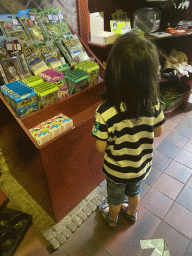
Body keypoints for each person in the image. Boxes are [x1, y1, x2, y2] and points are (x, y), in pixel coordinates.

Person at [91, 30, 166, 228]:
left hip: (116, 170)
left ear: (113, 71)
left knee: (115, 199)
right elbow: (157, 132)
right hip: (140, 165)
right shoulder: (154, 102)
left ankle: (111, 218)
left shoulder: (105, 111)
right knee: (134, 192)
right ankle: (131, 214)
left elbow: (100, 147)